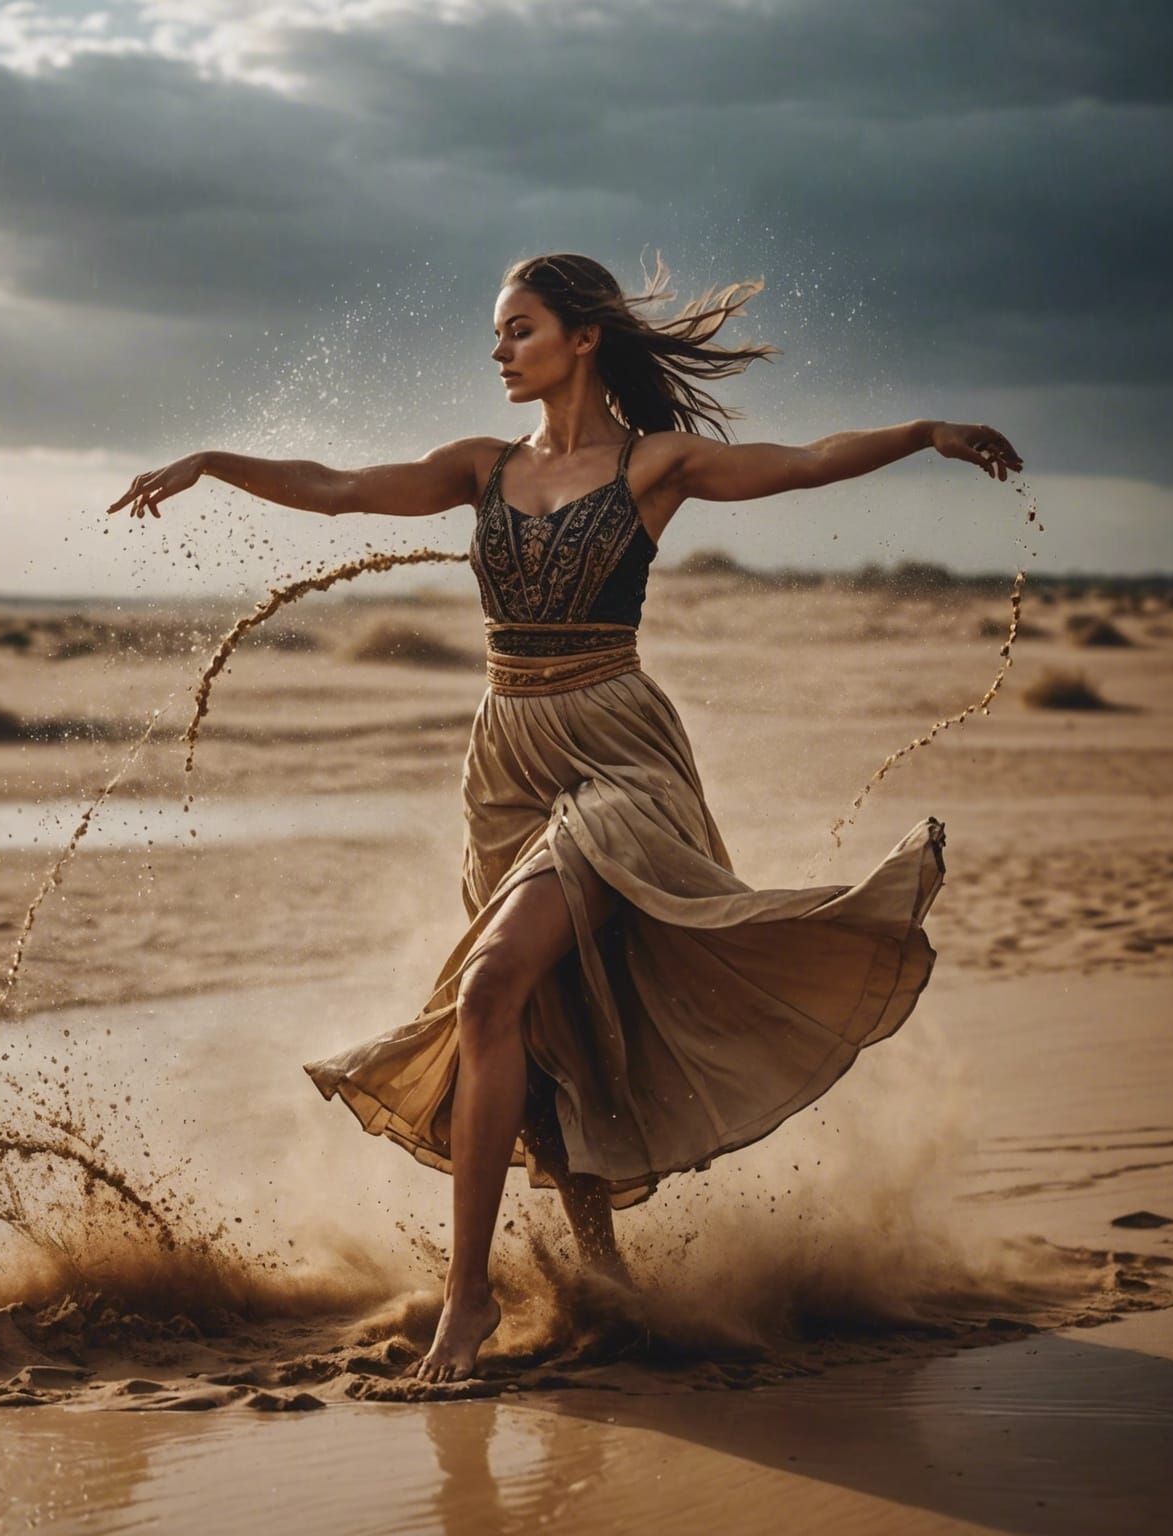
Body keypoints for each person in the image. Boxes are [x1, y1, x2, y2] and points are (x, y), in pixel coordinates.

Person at [105, 252, 1022, 1384]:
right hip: (505, 767)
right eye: (498, 334)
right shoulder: (478, 467)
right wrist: (211, 462)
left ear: (582, 337)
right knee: (539, 1022)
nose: (500, 350)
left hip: (619, 758)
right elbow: (338, 485)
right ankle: (599, 1267)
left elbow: (798, 464)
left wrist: (921, 429)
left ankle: (468, 1300)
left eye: (519, 329)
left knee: (489, 986)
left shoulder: (652, 466)